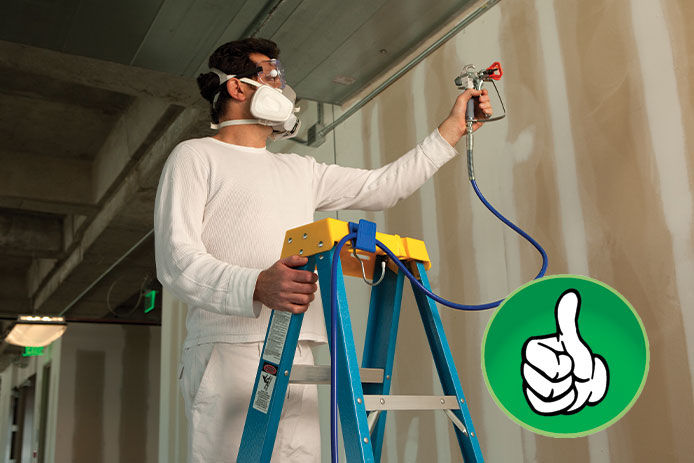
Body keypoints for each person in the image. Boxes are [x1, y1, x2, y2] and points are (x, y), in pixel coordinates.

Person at [154, 37, 492, 463]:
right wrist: (255, 284)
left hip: (302, 346)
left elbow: (383, 186)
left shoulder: (299, 169)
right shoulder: (195, 156)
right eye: (269, 76)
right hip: (230, 349)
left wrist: (452, 129)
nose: (281, 88)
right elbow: (176, 260)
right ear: (237, 88)